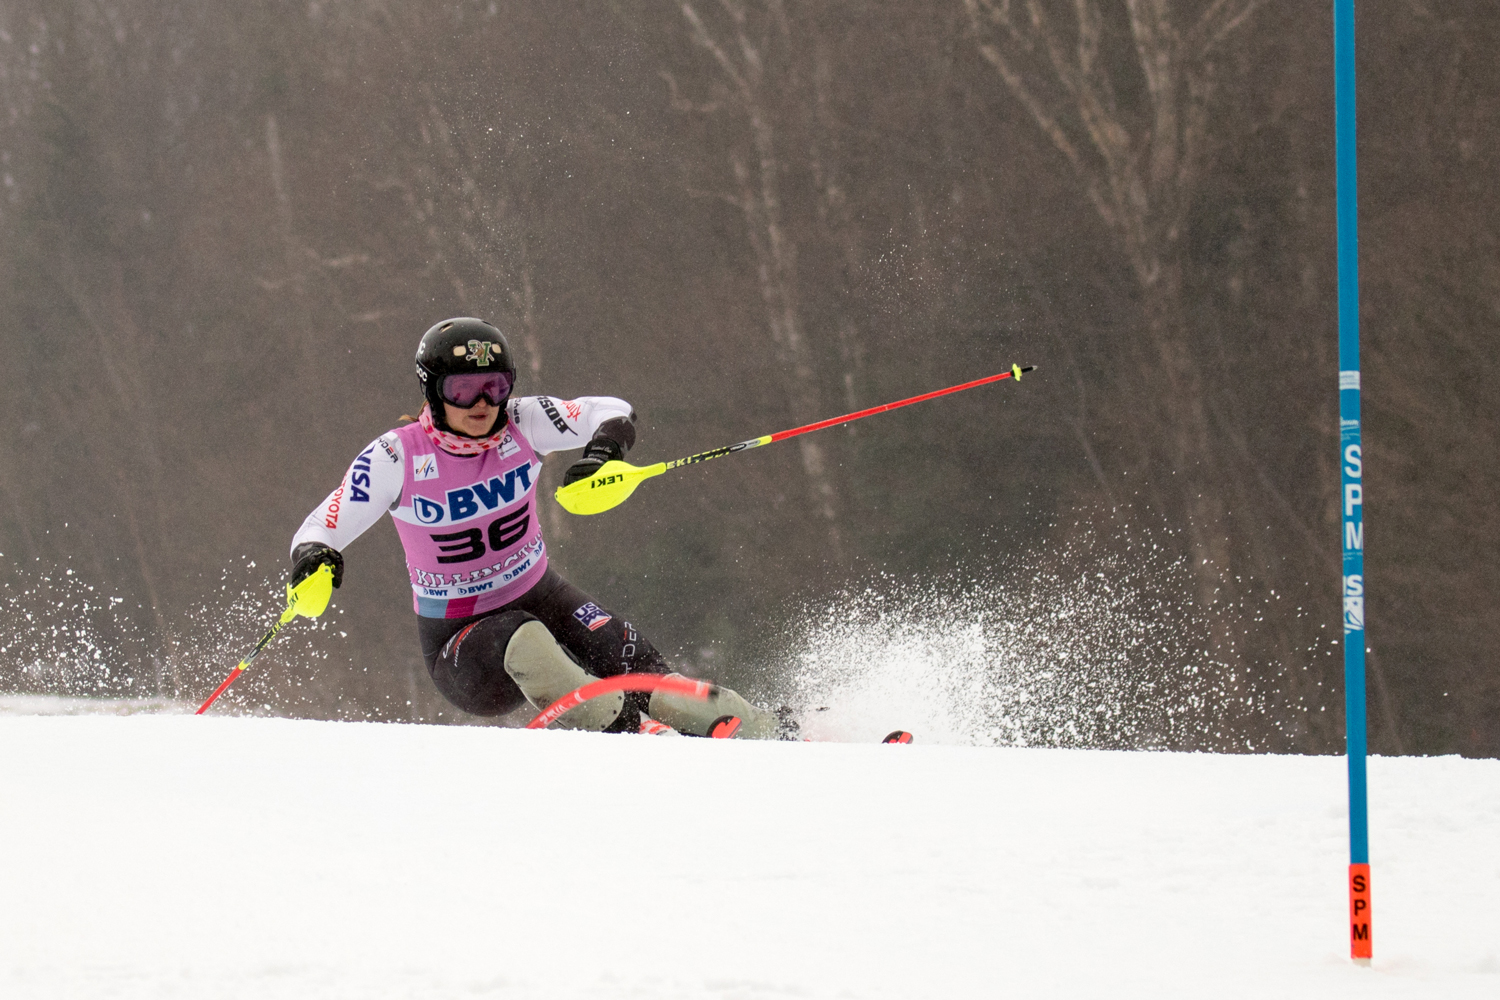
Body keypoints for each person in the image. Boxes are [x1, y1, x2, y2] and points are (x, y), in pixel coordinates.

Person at [288, 317, 784, 737]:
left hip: (544, 595)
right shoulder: (398, 455)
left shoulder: (524, 422)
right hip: (461, 642)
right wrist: (316, 558)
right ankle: (638, 741)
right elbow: (320, 526)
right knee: (524, 638)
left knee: (651, 678)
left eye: (496, 386)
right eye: (462, 389)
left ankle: (773, 731)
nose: (482, 403)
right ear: (433, 391)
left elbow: (609, 410)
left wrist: (603, 452)